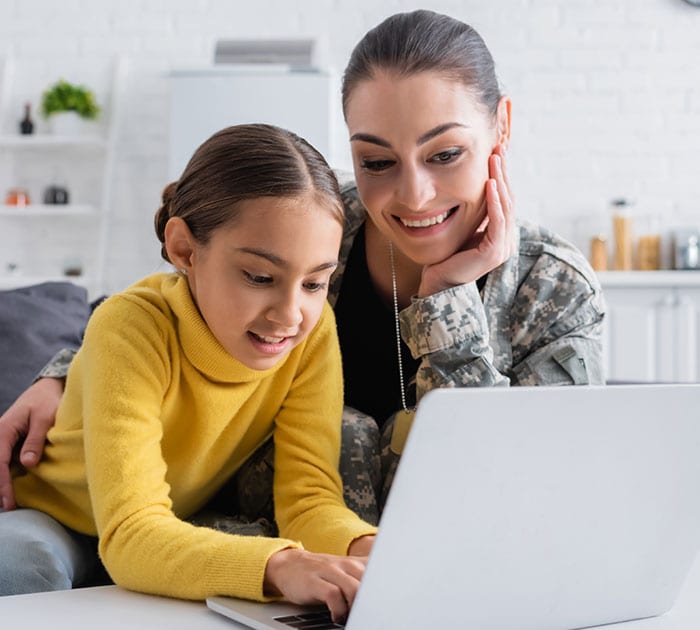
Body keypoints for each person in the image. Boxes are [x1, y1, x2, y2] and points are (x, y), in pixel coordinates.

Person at [0, 10, 605, 528]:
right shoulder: (315, 221)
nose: (414, 195)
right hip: (247, 543)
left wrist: (447, 298)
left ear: (501, 125)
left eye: (445, 154)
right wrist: (60, 375)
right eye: (375, 161)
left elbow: (520, 488)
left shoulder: (556, 290)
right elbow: (176, 301)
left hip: (443, 562)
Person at [0, 123, 377, 621]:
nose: (290, 313)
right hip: (53, 515)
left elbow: (308, 498)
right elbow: (131, 531)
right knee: (21, 565)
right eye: (259, 277)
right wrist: (280, 566)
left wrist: (368, 550)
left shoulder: (312, 333)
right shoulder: (130, 324)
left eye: (314, 282)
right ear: (184, 250)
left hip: (165, 527)